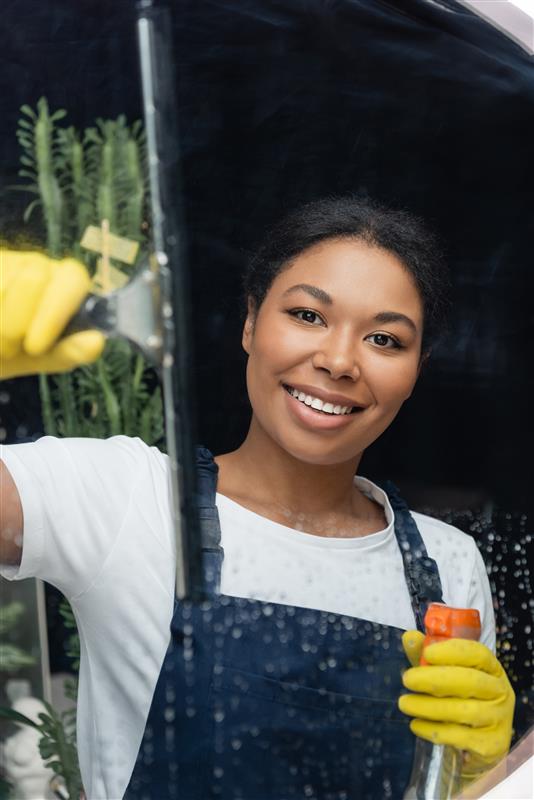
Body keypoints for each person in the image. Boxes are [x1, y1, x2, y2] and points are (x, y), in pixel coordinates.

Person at [0, 196, 515, 800]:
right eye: (307, 315)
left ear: (416, 369)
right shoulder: (126, 497)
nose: (338, 360)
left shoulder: (449, 565)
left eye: (383, 338)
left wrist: (485, 775)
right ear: (250, 322)